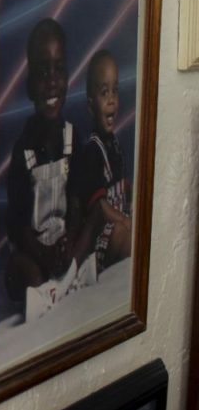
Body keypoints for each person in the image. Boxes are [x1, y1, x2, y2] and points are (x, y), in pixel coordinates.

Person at [5, 18, 83, 307]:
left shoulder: (72, 138)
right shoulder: (22, 151)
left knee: (85, 244)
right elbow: (17, 226)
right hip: (34, 250)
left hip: (63, 245)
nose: (51, 80)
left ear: (67, 78)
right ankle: (44, 291)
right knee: (23, 271)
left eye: (58, 69)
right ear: (29, 86)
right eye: (42, 71)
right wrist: (41, 252)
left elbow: (75, 201)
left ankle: (66, 280)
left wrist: (71, 238)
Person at [75, 49, 132, 272]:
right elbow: (101, 207)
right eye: (104, 93)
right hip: (101, 238)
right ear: (90, 106)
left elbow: (122, 187)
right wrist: (126, 221)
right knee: (123, 232)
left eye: (115, 92)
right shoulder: (92, 150)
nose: (111, 100)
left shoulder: (114, 145)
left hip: (118, 222)